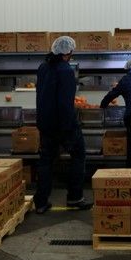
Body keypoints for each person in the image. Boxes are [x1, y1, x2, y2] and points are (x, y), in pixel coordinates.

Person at [34, 36, 92, 214]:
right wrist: (68, 127)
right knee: (78, 156)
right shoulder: (66, 70)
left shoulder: (43, 67)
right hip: (63, 125)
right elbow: (65, 103)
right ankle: (75, 198)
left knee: (46, 162)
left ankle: (41, 202)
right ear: (69, 52)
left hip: (45, 123)